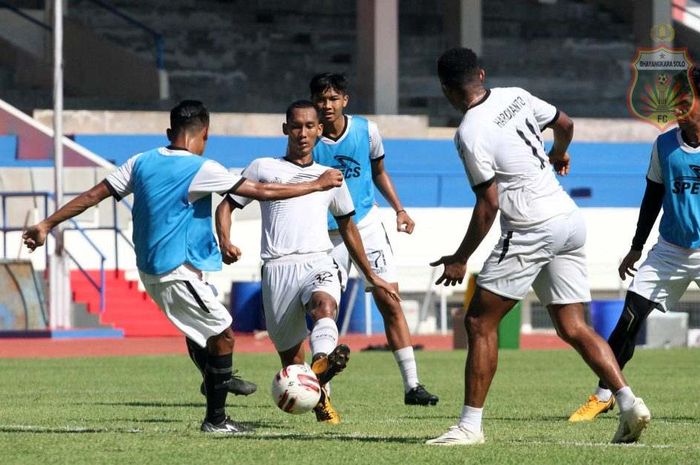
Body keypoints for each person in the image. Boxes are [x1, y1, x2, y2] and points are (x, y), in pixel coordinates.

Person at [22, 100, 343, 434]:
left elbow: (92, 196)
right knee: (224, 334)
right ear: (204, 134)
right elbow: (261, 190)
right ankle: (216, 417)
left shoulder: (140, 161)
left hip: (152, 271)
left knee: (201, 332)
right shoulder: (201, 168)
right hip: (174, 271)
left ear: (168, 132)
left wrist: (46, 224)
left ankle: (215, 377)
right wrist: (314, 184)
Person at [426, 48, 651, 446]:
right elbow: (566, 123)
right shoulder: (516, 94)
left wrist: (460, 258)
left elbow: (489, 204)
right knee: (573, 325)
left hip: (531, 226)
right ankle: (628, 400)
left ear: (446, 89)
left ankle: (469, 427)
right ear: (481, 72)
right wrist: (559, 154)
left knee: (479, 322)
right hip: (567, 218)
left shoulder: (469, 133)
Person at [216, 100, 400, 424]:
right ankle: (320, 393)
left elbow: (348, 227)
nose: (302, 133)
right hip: (277, 268)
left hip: (318, 260)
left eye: (309, 126)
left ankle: (323, 361)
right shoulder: (263, 167)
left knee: (324, 306)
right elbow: (227, 205)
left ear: (319, 130)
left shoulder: (330, 177)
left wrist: (371, 274)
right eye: (296, 126)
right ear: (286, 128)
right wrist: (225, 240)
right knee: (291, 360)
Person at [569, 68, 700, 422]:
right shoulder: (665, 145)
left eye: (686, 102)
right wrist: (636, 246)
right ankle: (604, 394)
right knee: (628, 319)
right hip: (670, 250)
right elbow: (653, 196)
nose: (678, 110)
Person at [309, 73, 439, 406]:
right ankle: (323, 390)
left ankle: (413, 386)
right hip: (328, 234)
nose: (326, 105)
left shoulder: (367, 131)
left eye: (333, 98)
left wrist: (400, 209)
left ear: (345, 101)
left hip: (366, 225)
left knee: (389, 300)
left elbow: (379, 171)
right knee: (325, 308)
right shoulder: (308, 136)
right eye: (321, 99)